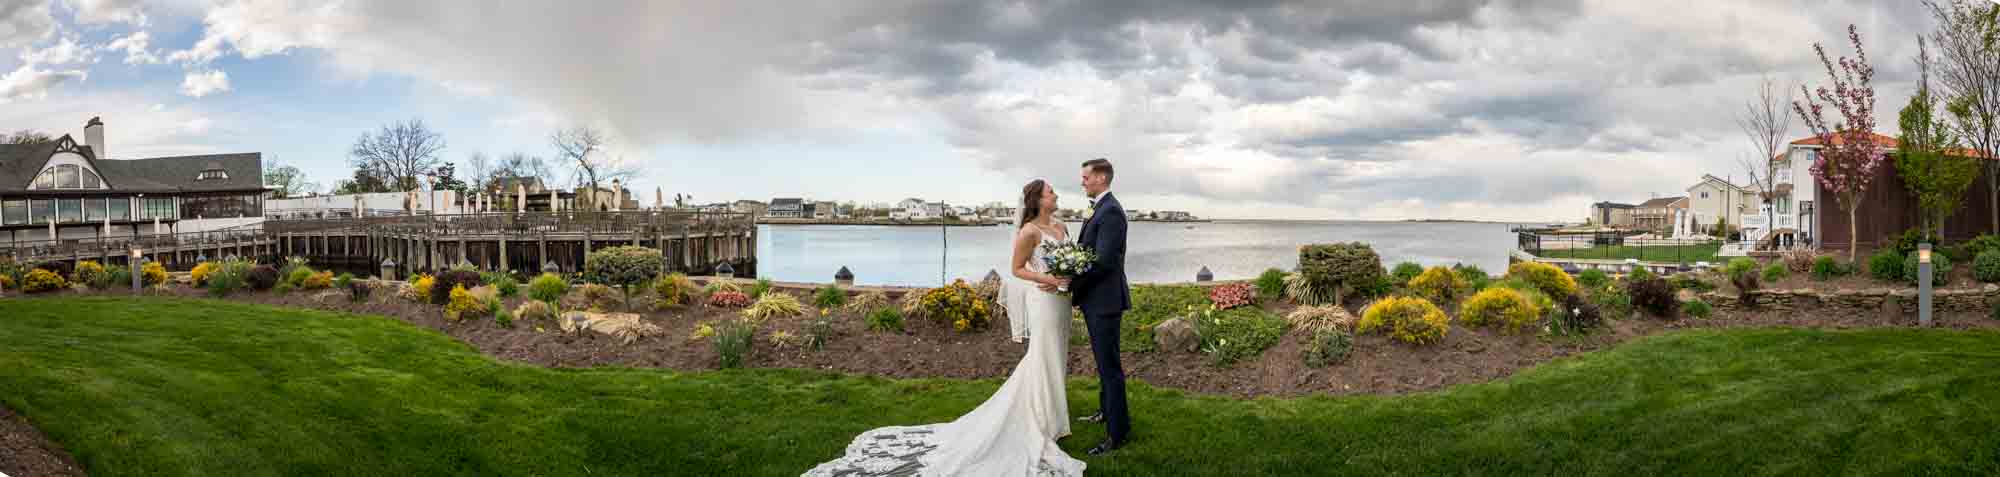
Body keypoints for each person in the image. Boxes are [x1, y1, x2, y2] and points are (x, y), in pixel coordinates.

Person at [804, 178, 1084, 477]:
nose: (1055, 195)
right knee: (1042, 357)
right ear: (1038, 200)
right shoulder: (1029, 231)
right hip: (1042, 301)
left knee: (1057, 356)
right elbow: (1016, 269)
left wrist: (1070, 274)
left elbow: (1069, 260)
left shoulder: (1062, 227)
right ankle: (1039, 422)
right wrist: (1048, 280)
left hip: (1062, 301)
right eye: (1050, 191)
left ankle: (1054, 419)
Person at [1065, 158, 1133, 456]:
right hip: (1097, 299)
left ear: (1101, 177)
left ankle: (1117, 434)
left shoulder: (1112, 212)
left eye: (1086, 177)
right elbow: (1089, 253)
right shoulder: (1100, 207)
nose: (1082, 182)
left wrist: (1072, 284)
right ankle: (1105, 413)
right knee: (1103, 365)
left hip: (1104, 301)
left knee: (1110, 369)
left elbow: (1104, 261)